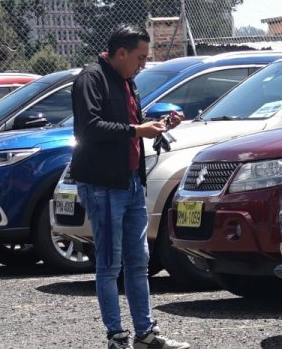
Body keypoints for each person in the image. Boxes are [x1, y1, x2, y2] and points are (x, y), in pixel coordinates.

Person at [69, 24, 191, 349]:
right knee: (109, 264)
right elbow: (90, 126)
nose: (143, 65)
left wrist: (158, 124)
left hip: (132, 184)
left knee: (139, 262)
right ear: (120, 53)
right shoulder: (91, 78)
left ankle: (145, 334)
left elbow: (130, 123)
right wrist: (138, 130)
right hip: (103, 186)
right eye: (139, 58)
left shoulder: (127, 81)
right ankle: (116, 336)